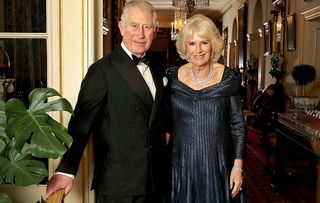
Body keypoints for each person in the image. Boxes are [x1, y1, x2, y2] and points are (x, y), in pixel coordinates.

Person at [45, 1, 170, 202]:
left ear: (155, 32)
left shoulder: (158, 68)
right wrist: (66, 170)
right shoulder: (102, 71)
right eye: (134, 26)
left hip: (156, 181)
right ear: (121, 27)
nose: (140, 34)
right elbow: (80, 124)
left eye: (147, 27)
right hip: (119, 184)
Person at [167, 14, 247, 203]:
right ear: (185, 47)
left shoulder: (228, 79)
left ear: (213, 45)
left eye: (204, 42)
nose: (198, 50)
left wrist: (237, 167)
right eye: (192, 43)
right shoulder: (172, 79)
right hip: (181, 164)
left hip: (217, 163)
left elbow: (238, 126)